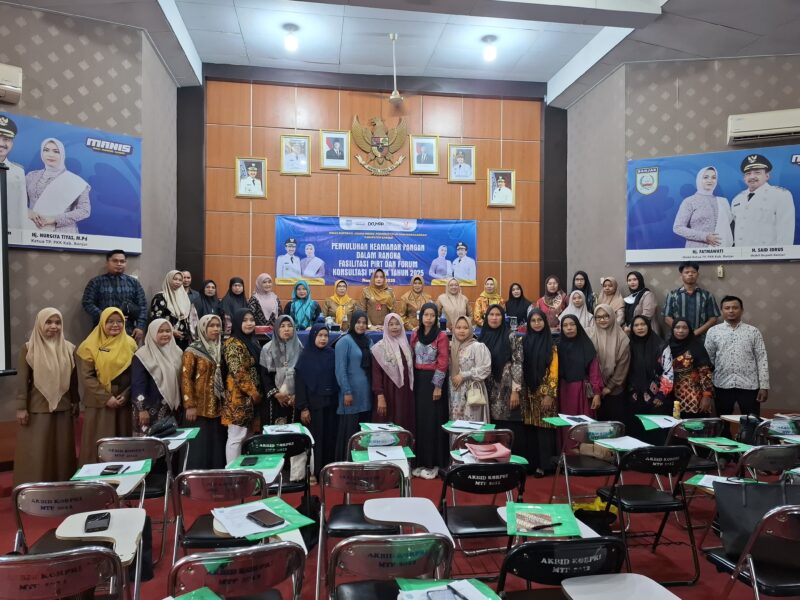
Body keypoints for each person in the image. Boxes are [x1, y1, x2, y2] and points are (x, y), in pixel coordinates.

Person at [13, 308, 79, 485]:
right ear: (40, 324)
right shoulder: (29, 348)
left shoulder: (69, 348)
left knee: (62, 451)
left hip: (63, 406)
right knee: (38, 451)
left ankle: (63, 488)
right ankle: (34, 489)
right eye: (48, 322)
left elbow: (73, 380)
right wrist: (21, 407)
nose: (54, 326)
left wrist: (75, 401)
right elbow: (22, 381)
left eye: (57, 322)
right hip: (37, 408)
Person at [76, 307, 136, 466]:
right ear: (102, 323)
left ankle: (122, 477)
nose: (115, 325)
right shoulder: (89, 345)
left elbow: (135, 375)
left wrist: (126, 394)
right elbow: (87, 377)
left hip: (122, 403)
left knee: (122, 444)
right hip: (99, 403)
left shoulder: (130, 344)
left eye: (119, 321)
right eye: (110, 321)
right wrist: (106, 398)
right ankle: (95, 477)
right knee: (99, 443)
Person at [705, 296, 769, 436]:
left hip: (749, 385)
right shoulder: (713, 331)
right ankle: (724, 449)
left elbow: (761, 358)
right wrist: (708, 387)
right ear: (722, 311)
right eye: (727, 308)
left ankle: (751, 448)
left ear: (742, 310)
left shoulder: (753, 331)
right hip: (722, 384)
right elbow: (708, 361)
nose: (731, 311)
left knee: (752, 424)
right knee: (722, 424)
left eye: (735, 308)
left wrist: (764, 386)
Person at [181, 314, 227, 470]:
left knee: (216, 443)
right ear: (202, 328)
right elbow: (186, 378)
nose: (216, 329)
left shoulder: (222, 348)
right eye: (211, 326)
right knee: (199, 446)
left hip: (218, 406)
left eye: (218, 325)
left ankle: (215, 475)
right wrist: (190, 405)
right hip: (199, 407)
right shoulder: (193, 350)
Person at [519, 308, 559, 477]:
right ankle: (532, 464)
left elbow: (554, 372)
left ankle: (545, 465)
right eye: (533, 321)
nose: (536, 324)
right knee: (530, 430)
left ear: (545, 322)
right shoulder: (524, 342)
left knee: (544, 431)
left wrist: (550, 394)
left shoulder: (551, 344)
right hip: (528, 392)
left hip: (544, 393)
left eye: (540, 320)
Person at [411, 303, 450, 477]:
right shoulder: (415, 333)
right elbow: (411, 356)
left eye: (432, 315)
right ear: (421, 317)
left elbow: (443, 361)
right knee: (420, 421)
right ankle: (421, 460)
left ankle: (434, 461)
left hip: (433, 381)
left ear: (436, 318)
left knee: (433, 421)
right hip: (418, 380)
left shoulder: (441, 336)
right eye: (426, 315)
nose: (428, 318)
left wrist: (438, 386)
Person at [480, 305, 524, 458]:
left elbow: (518, 363)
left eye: (498, 315)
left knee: (507, 428)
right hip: (487, 389)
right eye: (491, 314)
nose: (494, 318)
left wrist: (515, 391)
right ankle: (491, 460)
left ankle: (509, 462)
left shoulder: (511, 336)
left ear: (503, 317)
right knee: (490, 427)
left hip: (506, 390)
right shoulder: (482, 336)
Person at [296, 324, 339, 478]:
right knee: (315, 440)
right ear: (313, 336)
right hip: (313, 407)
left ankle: (328, 470)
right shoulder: (305, 356)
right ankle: (314, 471)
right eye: (320, 335)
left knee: (330, 437)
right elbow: (300, 384)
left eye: (326, 336)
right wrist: (303, 408)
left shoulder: (332, 354)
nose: (323, 339)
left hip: (331, 404)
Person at [222, 308, 263, 462]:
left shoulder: (253, 341)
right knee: (236, 437)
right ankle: (232, 472)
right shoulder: (233, 343)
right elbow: (237, 371)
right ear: (237, 322)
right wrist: (253, 392)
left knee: (248, 436)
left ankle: (244, 470)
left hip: (252, 399)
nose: (249, 323)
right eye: (245, 320)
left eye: (252, 320)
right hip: (238, 399)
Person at [25, 137, 90, 233]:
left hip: (61, 233)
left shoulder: (75, 181)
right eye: (46, 150)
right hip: (32, 229)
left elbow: (84, 211)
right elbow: (18, 203)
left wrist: (54, 219)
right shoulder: (31, 176)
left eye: (56, 151)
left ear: (62, 154)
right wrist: (28, 212)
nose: (50, 155)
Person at [82, 249, 147, 341]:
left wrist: (140, 327)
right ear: (107, 262)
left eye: (122, 261)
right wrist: (107, 316)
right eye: (115, 261)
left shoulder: (134, 283)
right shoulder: (96, 282)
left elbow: (142, 305)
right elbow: (87, 303)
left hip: (128, 331)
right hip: (103, 329)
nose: (119, 264)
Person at [132, 319, 183, 435]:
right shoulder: (142, 355)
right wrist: (141, 409)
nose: (165, 334)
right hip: (150, 410)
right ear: (152, 333)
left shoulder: (177, 352)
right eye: (160, 331)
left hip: (173, 410)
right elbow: (138, 383)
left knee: (173, 442)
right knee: (152, 443)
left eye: (168, 331)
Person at [334, 310, 373, 461]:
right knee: (349, 432)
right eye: (358, 322)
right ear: (352, 323)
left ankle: (362, 464)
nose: (361, 325)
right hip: (351, 395)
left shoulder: (368, 341)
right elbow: (340, 369)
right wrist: (347, 391)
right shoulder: (344, 341)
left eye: (364, 323)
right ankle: (346, 464)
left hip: (366, 394)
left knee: (363, 434)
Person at [731, 154, 795, 247]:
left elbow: (786, 231)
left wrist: (782, 254)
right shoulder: (737, 199)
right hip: (741, 253)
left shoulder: (780, 195)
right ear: (744, 178)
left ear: (767, 176)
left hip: (766, 254)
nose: (752, 177)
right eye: (748, 174)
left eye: (757, 172)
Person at [626, 316, 672, 439]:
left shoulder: (661, 345)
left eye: (643, 324)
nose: (640, 328)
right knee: (635, 431)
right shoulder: (628, 344)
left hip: (656, 398)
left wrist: (662, 394)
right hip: (633, 396)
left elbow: (668, 372)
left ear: (648, 326)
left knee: (654, 432)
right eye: (636, 325)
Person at [371, 313, 415, 431]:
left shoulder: (407, 346)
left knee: (404, 422)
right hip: (388, 392)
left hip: (405, 393)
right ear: (386, 326)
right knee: (388, 425)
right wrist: (380, 396)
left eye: (397, 324)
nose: (394, 327)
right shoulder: (379, 348)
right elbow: (376, 374)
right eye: (391, 324)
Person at [589, 304, 631, 423]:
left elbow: (623, 366)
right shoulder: (589, 334)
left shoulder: (622, 338)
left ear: (612, 316)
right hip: (592, 390)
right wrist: (596, 388)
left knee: (613, 424)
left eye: (606, 316)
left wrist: (609, 387)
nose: (602, 320)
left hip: (614, 390)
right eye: (598, 317)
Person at [673, 166, 733, 248]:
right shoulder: (690, 201)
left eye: (713, 177)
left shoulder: (723, 202)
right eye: (706, 177)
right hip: (696, 250)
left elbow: (728, 225)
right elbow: (678, 227)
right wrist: (704, 236)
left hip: (720, 250)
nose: (710, 180)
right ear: (699, 179)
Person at [260, 314, 303, 425]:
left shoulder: (300, 348)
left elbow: (303, 375)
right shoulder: (267, 349)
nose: (286, 329)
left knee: (293, 430)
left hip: (294, 399)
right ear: (276, 329)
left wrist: (297, 395)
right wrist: (276, 394)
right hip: (274, 399)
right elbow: (264, 375)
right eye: (282, 326)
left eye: (289, 325)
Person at [666, 319, 714, 417]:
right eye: (677, 327)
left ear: (689, 330)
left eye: (684, 328)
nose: (681, 330)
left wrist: (707, 396)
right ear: (672, 329)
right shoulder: (666, 346)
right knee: (673, 424)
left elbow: (705, 372)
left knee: (693, 424)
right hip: (670, 396)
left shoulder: (696, 346)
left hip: (692, 397)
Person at [557, 314, 603, 418]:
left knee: (583, 423)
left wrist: (597, 394)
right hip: (564, 391)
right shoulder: (558, 347)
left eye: (572, 324)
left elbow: (594, 372)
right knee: (567, 421)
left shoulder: (586, 345)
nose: (569, 328)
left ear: (577, 326)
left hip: (582, 391)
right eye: (565, 325)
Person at [662, 262, 720, 337]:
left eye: (693, 272)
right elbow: (667, 317)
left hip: (701, 337)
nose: (690, 274)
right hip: (678, 336)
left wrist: (695, 333)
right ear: (681, 275)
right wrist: (681, 330)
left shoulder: (707, 295)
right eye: (686, 272)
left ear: (697, 275)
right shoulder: (672, 295)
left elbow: (713, 318)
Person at [149, 270, 196, 350]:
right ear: (169, 279)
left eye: (180, 280)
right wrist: (171, 331)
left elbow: (186, 319)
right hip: (165, 338)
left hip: (182, 340)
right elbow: (156, 319)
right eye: (175, 279)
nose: (178, 282)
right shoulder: (160, 297)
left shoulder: (184, 297)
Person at [0, 114, 28, 232]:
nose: (1, 143)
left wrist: (21, 234)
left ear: (12, 143)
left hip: (8, 234)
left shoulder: (18, 172)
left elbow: (21, 209)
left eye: (6, 139)